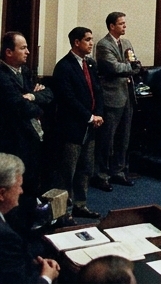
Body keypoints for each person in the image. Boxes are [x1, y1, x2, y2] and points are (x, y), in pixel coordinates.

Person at [51, 27, 104, 218]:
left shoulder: (89, 64)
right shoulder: (64, 66)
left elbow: (97, 91)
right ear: (76, 42)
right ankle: (65, 211)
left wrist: (98, 113)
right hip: (71, 128)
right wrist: (89, 116)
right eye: (88, 39)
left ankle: (81, 204)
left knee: (85, 169)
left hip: (90, 127)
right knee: (68, 172)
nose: (91, 43)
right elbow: (67, 98)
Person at [93, 12, 139, 189]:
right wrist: (131, 68)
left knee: (124, 137)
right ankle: (101, 174)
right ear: (112, 26)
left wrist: (131, 68)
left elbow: (133, 62)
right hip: (111, 96)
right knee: (107, 138)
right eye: (121, 24)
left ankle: (118, 171)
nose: (124, 26)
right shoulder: (103, 44)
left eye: (124, 23)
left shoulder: (126, 43)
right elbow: (112, 67)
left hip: (127, 94)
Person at [0, 33, 47, 198]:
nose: (28, 51)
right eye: (23, 48)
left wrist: (33, 96)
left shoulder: (25, 71)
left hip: (30, 136)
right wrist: (37, 105)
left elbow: (48, 95)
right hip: (12, 138)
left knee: (32, 180)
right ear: (9, 52)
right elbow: (19, 106)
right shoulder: (2, 76)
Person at [0, 153, 58, 283]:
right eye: (18, 186)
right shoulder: (6, 237)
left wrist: (31, 262)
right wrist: (47, 276)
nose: (21, 191)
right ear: (2, 193)